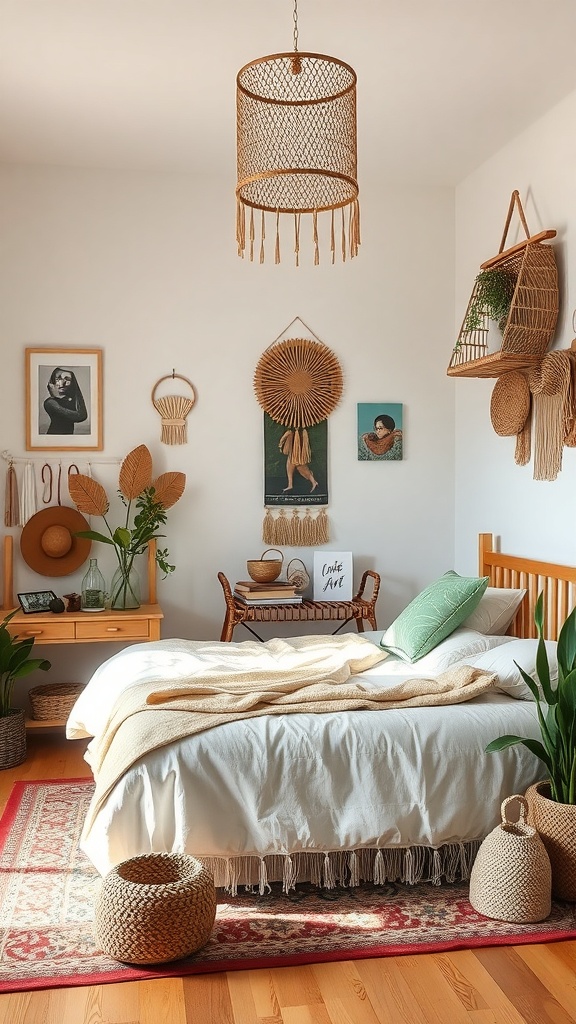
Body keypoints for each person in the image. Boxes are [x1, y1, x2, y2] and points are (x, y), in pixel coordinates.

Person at [43, 367, 88, 435]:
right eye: (58, 379)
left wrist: (75, 389)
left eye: (68, 379)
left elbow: (83, 415)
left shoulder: (69, 399)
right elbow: (80, 416)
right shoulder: (50, 403)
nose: (62, 383)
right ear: (52, 382)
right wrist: (54, 393)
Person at [279, 427, 318, 493]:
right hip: (300, 455)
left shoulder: (290, 432)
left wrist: (280, 446)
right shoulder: (304, 432)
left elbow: (282, 439)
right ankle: (314, 482)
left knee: (291, 469)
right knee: (302, 468)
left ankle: (290, 485)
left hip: (294, 455)